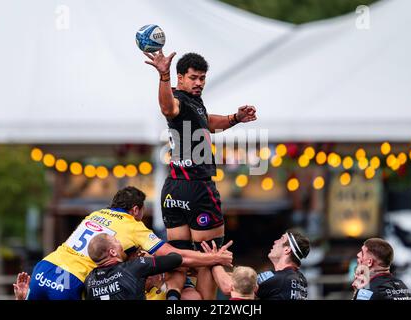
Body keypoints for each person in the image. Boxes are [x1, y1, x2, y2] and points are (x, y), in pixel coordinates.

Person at [143, 49, 257, 300]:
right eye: (193, 78)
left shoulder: (194, 103)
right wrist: (163, 76)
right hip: (197, 188)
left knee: (180, 254)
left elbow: (207, 122)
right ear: (180, 78)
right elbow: (167, 108)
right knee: (209, 255)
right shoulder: (175, 97)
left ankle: (174, 298)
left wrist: (235, 118)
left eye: (202, 78)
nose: (198, 83)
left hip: (174, 188)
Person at [27, 186, 233, 300]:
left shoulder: (95, 214)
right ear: (136, 209)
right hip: (71, 280)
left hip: (45, 267)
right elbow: (175, 256)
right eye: (142, 212)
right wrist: (214, 257)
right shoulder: (133, 226)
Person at [202, 230, 310, 300]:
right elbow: (242, 279)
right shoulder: (300, 279)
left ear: (287, 250)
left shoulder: (279, 279)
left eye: (281, 239)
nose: (275, 241)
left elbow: (230, 286)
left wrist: (213, 259)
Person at [84, 233, 182, 300]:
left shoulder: (89, 280)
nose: (121, 244)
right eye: (116, 241)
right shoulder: (134, 267)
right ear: (113, 252)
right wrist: (152, 256)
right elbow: (176, 259)